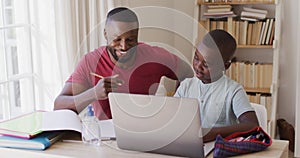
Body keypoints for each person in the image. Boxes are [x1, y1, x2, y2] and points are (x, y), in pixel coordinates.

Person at [54, 7, 193, 120]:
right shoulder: (90, 62)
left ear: (138, 35)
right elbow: (59, 105)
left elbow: (188, 74)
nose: (124, 46)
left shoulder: (155, 56)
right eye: (117, 39)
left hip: (146, 131)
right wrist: (94, 93)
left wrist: (175, 104)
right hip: (107, 137)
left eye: (131, 39)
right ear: (105, 35)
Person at [174, 29, 259, 142]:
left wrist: (211, 133)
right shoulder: (186, 86)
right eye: (196, 58)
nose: (198, 66)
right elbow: (171, 118)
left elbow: (252, 126)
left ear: (225, 66)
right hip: (188, 146)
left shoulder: (233, 91)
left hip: (218, 150)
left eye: (206, 64)